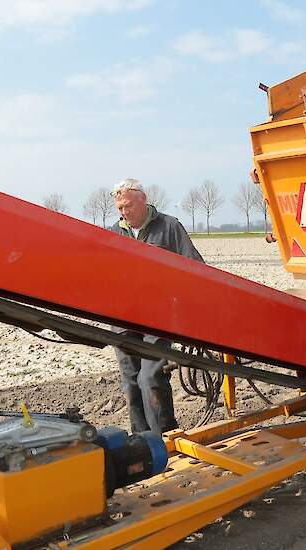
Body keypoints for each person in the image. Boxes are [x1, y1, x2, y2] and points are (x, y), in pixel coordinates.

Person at [109, 178, 204, 434]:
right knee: (130, 381)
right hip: (125, 317)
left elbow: (195, 267)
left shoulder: (168, 227)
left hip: (158, 316)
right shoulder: (114, 233)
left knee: (149, 377)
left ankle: (164, 434)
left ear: (143, 200)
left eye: (128, 205)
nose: (124, 212)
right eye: (119, 208)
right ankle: (141, 439)